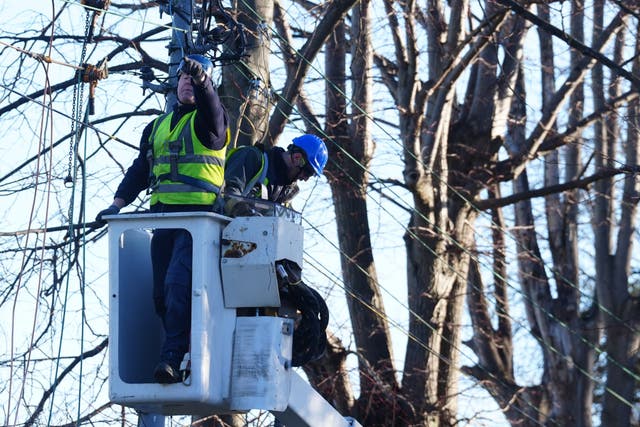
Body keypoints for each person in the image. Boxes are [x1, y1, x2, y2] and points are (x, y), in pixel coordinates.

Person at [95, 54, 230, 383]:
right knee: (161, 296)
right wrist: (117, 204)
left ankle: (174, 356)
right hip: (165, 222)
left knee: (177, 286)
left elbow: (211, 108)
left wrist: (204, 83)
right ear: (175, 83)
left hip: (197, 225)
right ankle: (177, 350)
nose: (188, 81)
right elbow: (141, 170)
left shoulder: (210, 122)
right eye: (183, 76)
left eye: (194, 79)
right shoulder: (157, 127)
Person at [222, 134, 328, 217]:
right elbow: (228, 193)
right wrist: (248, 215)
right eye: (308, 172)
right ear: (297, 158)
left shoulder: (287, 192)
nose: (305, 179)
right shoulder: (252, 158)